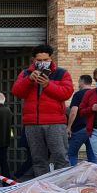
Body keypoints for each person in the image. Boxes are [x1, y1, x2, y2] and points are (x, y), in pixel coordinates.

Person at [11, 44, 73, 174]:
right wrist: (29, 80)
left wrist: (47, 85)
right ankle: (43, 189)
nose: (42, 63)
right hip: (33, 123)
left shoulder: (61, 73)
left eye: (46, 60)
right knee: (38, 159)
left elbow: (66, 93)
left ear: (51, 59)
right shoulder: (26, 73)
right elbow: (17, 91)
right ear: (34, 60)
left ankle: (63, 188)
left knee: (60, 157)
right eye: (39, 60)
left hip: (55, 123)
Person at [66, 75, 96, 166]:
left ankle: (73, 177)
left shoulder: (78, 94)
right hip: (93, 128)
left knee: (71, 154)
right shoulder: (95, 94)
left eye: (79, 82)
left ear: (82, 82)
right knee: (92, 156)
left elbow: (73, 112)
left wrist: (69, 127)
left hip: (80, 128)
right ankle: (92, 177)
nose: (78, 84)